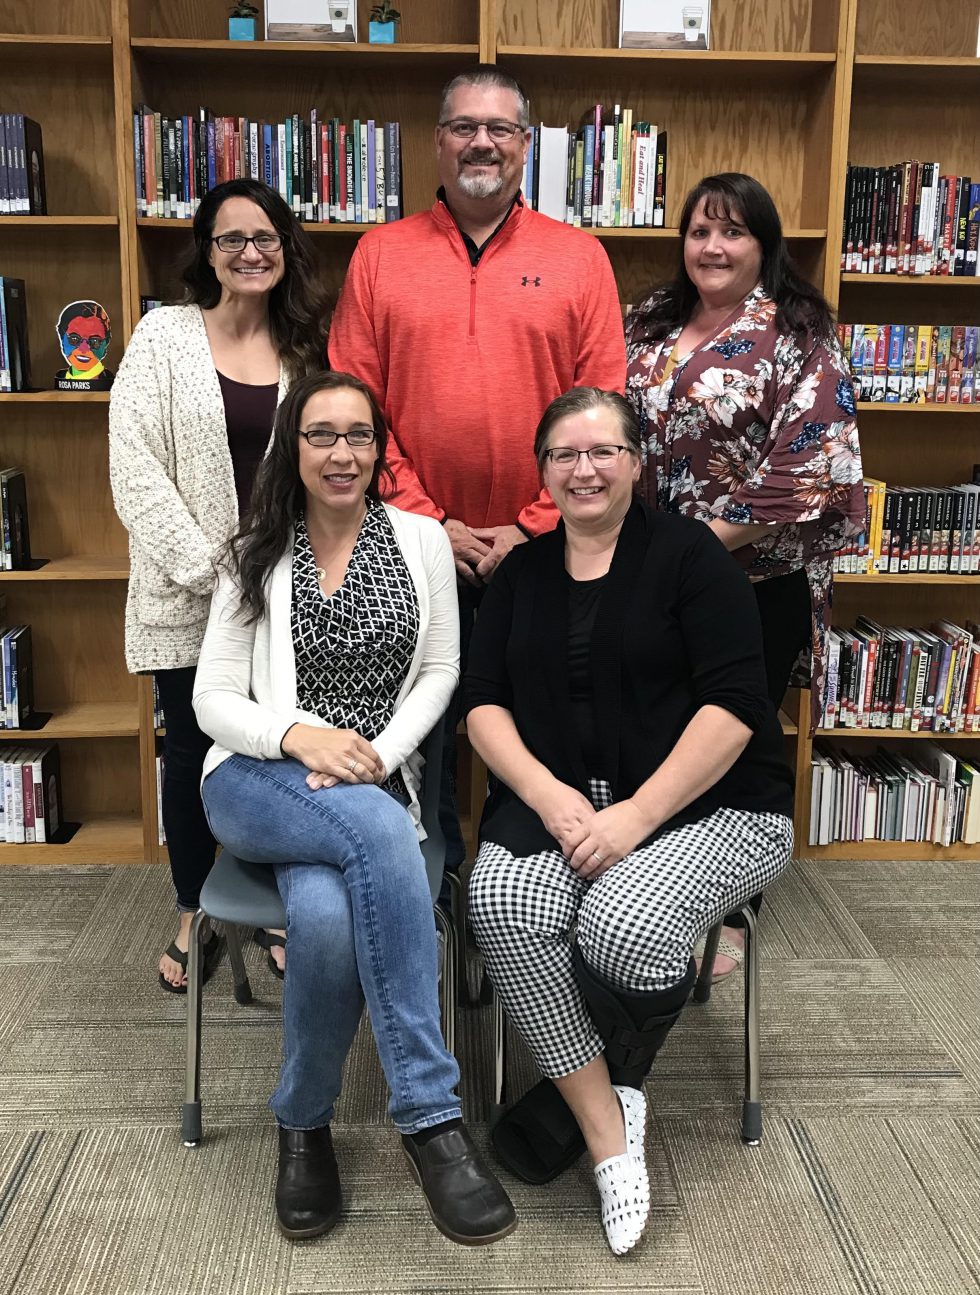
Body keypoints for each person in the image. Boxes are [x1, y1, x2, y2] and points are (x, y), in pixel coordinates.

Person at [463, 387, 795, 1255]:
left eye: (603, 451)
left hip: (712, 806)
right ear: (543, 473)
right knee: (503, 902)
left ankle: (608, 1076)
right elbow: (482, 705)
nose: (585, 469)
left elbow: (735, 707)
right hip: (567, 798)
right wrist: (543, 793)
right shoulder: (523, 573)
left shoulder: (690, 559)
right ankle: (611, 1129)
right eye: (565, 455)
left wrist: (637, 817)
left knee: (622, 920)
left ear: (637, 462)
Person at [192, 370, 517, 1246]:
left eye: (360, 436)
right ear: (291, 447)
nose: (343, 454)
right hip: (255, 781)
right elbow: (213, 700)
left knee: (328, 918)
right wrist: (301, 738)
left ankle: (302, 1124)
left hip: (375, 779)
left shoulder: (417, 540)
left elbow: (444, 671)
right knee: (375, 831)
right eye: (322, 435)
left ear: (380, 449)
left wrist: (376, 757)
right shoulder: (251, 551)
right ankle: (429, 1118)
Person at [329, 63, 627, 871]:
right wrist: (432, 523)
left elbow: (602, 412)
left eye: (500, 129)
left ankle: (514, 900)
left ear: (525, 146)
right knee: (416, 742)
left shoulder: (580, 259)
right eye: (465, 126)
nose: (482, 143)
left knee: (535, 734)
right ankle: (431, 895)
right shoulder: (380, 255)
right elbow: (352, 410)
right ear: (437, 143)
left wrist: (531, 523)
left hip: (547, 553)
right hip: (407, 549)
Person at [624, 172, 864, 980]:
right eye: (699, 231)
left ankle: (736, 906)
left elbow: (813, 466)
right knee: (666, 722)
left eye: (732, 232)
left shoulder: (798, 332)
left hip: (754, 577)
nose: (713, 247)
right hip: (651, 571)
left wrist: (694, 550)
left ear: (763, 245)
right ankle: (664, 875)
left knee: (739, 731)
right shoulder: (650, 321)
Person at [109, 177, 331, 992]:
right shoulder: (162, 336)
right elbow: (133, 469)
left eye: (265, 237)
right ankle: (194, 909)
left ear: (286, 250)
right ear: (206, 251)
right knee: (192, 749)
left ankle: (271, 902)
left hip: (284, 595)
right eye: (231, 238)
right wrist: (216, 570)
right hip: (186, 595)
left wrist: (274, 577)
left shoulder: (306, 347)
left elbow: (327, 465)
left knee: (275, 749)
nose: (250, 252)